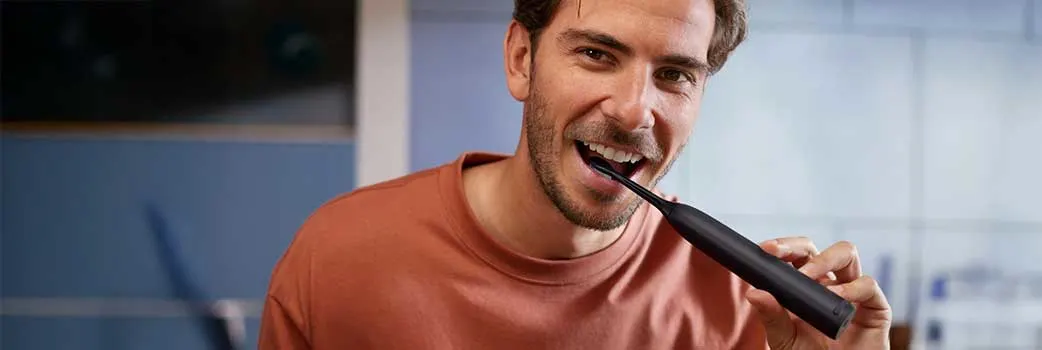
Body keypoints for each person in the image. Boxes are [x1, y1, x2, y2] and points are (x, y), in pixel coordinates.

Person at [258, 0, 893, 348]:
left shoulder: (752, 317)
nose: (633, 109)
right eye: (596, 54)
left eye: (674, 74)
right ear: (520, 59)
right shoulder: (336, 259)